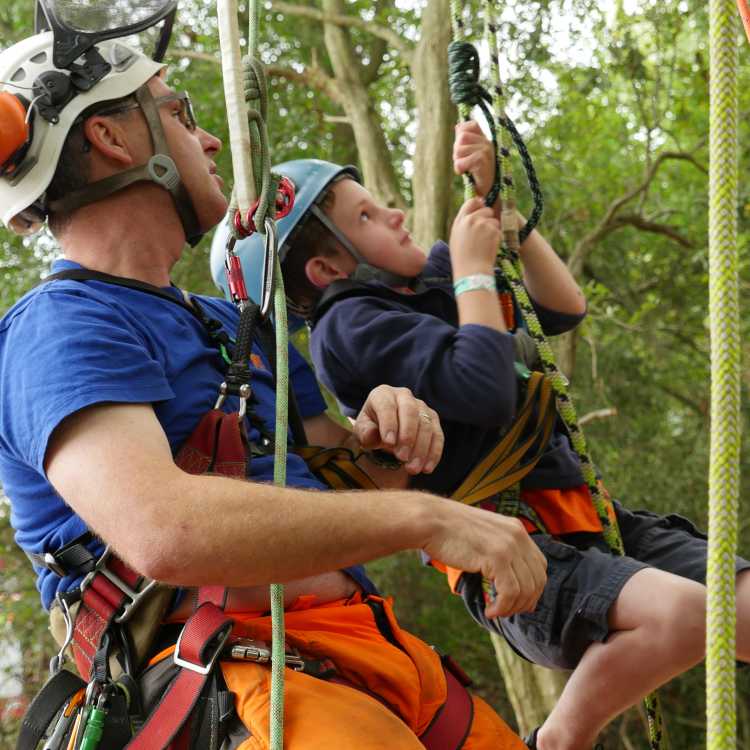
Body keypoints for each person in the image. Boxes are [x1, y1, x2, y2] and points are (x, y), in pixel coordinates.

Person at [0, 31, 548, 749]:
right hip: (228, 673)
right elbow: (164, 528)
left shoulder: (232, 322)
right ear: (111, 137)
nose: (212, 143)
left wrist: (387, 440)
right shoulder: (59, 327)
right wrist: (430, 519)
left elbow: (340, 485)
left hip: (366, 653)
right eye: (180, 113)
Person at [213, 123, 750, 750]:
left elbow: (562, 306)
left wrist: (502, 208)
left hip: (593, 516)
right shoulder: (351, 327)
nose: (394, 213)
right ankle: (558, 740)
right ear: (329, 265)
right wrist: (472, 273)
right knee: (686, 615)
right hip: (514, 550)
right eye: (366, 215)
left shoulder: (434, 282)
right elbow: (484, 389)